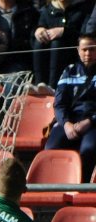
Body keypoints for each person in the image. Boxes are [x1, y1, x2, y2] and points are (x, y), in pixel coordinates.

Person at [44, 33, 96, 181]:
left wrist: (89, 121)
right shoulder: (69, 71)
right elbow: (59, 104)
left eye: (92, 49)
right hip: (70, 121)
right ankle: (56, 188)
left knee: (89, 149)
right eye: (84, 49)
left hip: (92, 123)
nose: (88, 53)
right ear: (78, 50)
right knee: (51, 148)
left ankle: (82, 188)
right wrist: (66, 124)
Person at [31, 0, 91, 91]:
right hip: (48, 58)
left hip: (72, 55)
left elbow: (85, 34)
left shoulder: (83, 9)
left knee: (57, 43)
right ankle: (39, 84)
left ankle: (53, 86)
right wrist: (39, 30)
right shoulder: (46, 11)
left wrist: (64, 32)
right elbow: (38, 27)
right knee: (39, 43)